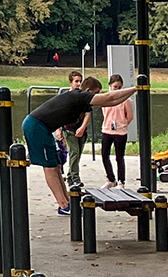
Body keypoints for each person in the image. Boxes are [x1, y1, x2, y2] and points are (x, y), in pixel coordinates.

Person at [20, 75, 105, 213]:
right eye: (96, 93)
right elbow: (109, 100)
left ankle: (66, 201)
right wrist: (133, 90)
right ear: (88, 90)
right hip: (36, 127)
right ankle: (64, 205)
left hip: (45, 128)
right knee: (50, 167)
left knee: (57, 165)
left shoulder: (80, 99)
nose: (97, 96)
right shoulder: (76, 96)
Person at [96, 76, 134, 186]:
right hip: (107, 129)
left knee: (119, 156)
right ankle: (111, 178)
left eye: (119, 87)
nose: (117, 89)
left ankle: (121, 180)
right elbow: (104, 112)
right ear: (110, 86)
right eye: (115, 87)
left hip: (120, 131)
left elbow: (130, 116)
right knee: (104, 155)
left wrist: (123, 124)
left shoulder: (125, 100)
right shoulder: (105, 98)